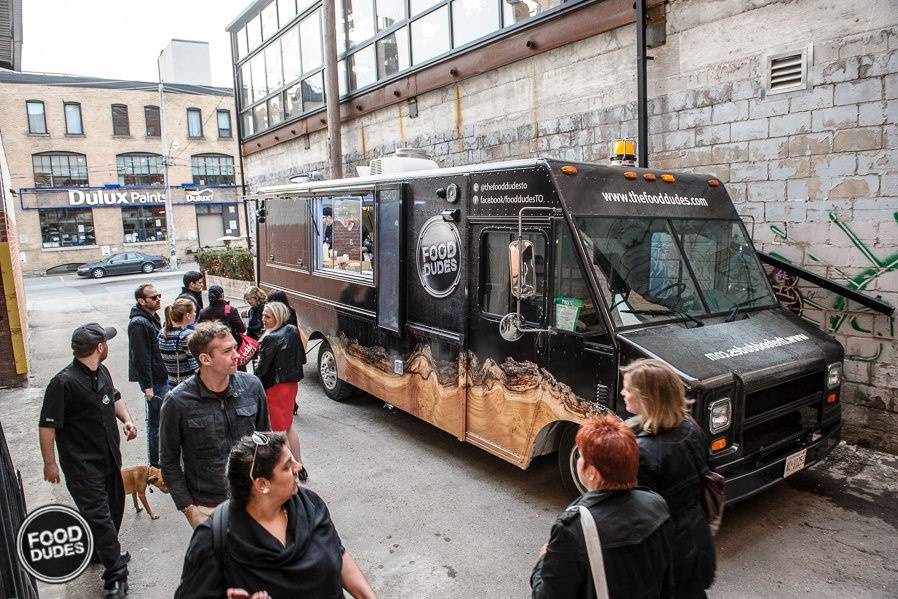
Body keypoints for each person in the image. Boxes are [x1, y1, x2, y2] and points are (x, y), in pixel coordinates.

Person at [175, 432, 377, 599]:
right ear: (262, 484)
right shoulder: (214, 538)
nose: (298, 467)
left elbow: (338, 554)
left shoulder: (310, 504)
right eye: (288, 466)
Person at [39, 324, 138, 598]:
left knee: (114, 507)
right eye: (106, 342)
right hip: (82, 465)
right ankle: (116, 576)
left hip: (109, 458)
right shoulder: (63, 383)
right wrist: (50, 462)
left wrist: (127, 421)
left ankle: (102, 551)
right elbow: (46, 427)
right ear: (100, 348)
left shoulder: (102, 371)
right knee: (100, 515)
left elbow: (114, 398)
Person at [531, 415, 674, 599]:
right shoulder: (656, 504)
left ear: (592, 473)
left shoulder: (574, 528)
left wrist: (544, 560)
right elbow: (668, 580)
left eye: (581, 456)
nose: (578, 460)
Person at [159, 321, 270, 529]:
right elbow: (169, 461)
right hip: (208, 508)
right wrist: (189, 508)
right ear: (205, 359)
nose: (237, 355)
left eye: (235, 348)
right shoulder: (177, 402)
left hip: (254, 499)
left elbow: (266, 442)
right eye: (228, 351)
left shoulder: (252, 386)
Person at [621, 358, 716, 599]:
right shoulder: (691, 427)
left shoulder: (642, 452)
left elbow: (636, 515)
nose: (623, 393)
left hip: (667, 553)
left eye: (628, 389)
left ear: (647, 398)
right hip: (696, 538)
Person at [254, 301, 307, 481]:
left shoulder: (271, 338)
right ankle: (299, 464)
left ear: (278, 317)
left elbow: (261, 370)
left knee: (277, 432)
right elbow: (302, 357)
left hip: (275, 388)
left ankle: (289, 467)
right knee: (288, 427)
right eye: (263, 315)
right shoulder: (292, 330)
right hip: (290, 385)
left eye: (267, 316)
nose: (263, 319)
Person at [128, 283, 169, 468]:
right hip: (154, 380)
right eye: (153, 297)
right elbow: (141, 357)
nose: (158, 299)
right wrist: (148, 386)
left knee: (161, 421)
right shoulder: (138, 324)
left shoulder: (152, 317)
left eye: (158, 295)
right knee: (156, 423)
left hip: (160, 375)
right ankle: (156, 464)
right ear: (141, 301)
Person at [158, 298, 199, 387]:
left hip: (173, 384)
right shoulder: (186, 335)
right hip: (189, 386)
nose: (195, 314)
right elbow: (195, 366)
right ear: (188, 315)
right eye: (194, 311)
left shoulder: (162, 333)